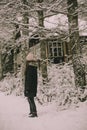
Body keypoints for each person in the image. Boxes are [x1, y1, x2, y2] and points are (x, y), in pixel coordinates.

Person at [24, 53, 38, 118]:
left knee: (30, 99)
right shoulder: (33, 68)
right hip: (33, 86)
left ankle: (34, 112)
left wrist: (27, 88)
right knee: (30, 99)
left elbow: (29, 79)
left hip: (30, 87)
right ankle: (32, 111)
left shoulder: (30, 68)